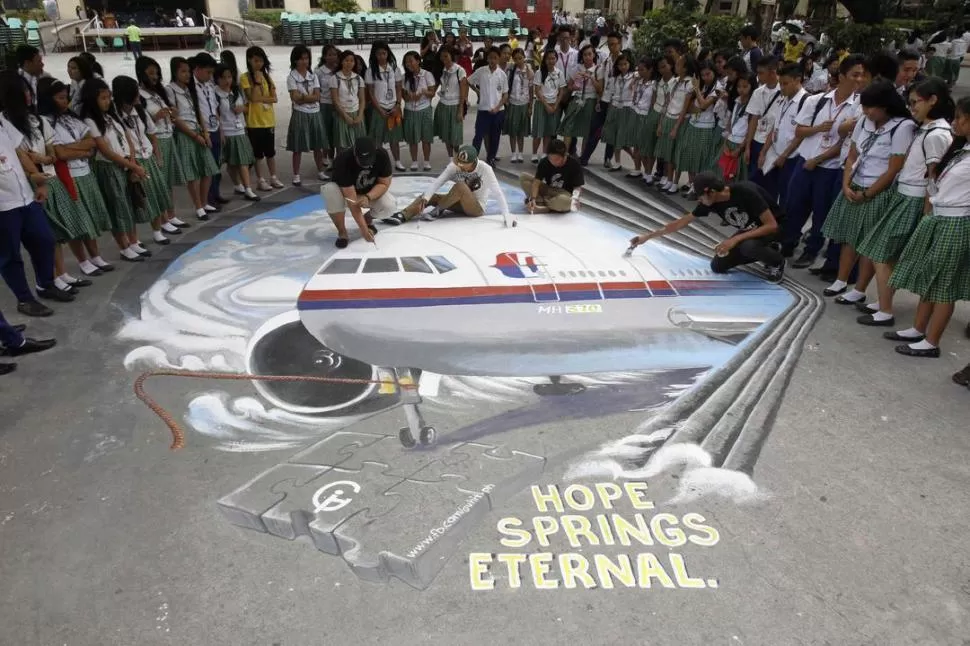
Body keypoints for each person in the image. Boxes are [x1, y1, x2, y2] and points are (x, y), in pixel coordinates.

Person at [854, 78, 953, 326]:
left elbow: (935, 176)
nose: (912, 109)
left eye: (915, 102)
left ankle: (886, 310)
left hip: (915, 199)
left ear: (933, 100)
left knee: (882, 253)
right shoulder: (927, 129)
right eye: (909, 103)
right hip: (906, 194)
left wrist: (928, 212)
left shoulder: (936, 135)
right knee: (886, 253)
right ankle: (883, 302)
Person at [886, 96, 970, 358]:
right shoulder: (961, 149)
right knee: (930, 277)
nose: (955, 122)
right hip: (940, 218)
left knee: (944, 284)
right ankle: (918, 329)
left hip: (957, 222)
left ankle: (932, 341)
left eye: (960, 118)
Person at [820, 81, 916, 301]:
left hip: (878, 191)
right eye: (864, 107)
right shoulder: (864, 121)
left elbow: (893, 170)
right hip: (854, 185)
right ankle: (841, 280)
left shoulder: (903, 127)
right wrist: (846, 184)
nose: (866, 111)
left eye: (871, 107)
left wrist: (868, 194)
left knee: (867, 243)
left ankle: (859, 289)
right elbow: (852, 155)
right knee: (849, 237)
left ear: (886, 106)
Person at [781, 54, 865, 268]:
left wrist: (818, 159)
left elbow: (847, 144)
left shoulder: (857, 108)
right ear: (842, 75)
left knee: (821, 212)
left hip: (829, 168)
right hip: (804, 162)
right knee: (794, 206)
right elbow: (799, 130)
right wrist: (819, 128)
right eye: (855, 74)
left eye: (862, 76)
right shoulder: (816, 101)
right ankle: (787, 242)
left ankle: (811, 250)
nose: (859, 80)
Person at [628, 171, 786, 283]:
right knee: (718, 265)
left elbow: (771, 225)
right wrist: (647, 237)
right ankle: (767, 249)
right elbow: (681, 223)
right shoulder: (711, 202)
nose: (699, 201)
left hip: (777, 227)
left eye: (700, 196)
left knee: (748, 247)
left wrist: (735, 239)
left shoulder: (745, 192)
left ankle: (777, 261)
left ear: (710, 191)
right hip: (750, 230)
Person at [0, 72, 67, 317]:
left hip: (25, 196)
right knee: (10, 256)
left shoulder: (3, 122)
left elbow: (20, 152)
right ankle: (24, 299)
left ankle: (45, 284)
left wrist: (36, 179)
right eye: (23, 92)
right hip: (3, 205)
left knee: (44, 240)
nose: (29, 96)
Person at [384, 145, 512, 226]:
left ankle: (437, 211)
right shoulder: (455, 165)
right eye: (459, 162)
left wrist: (506, 215)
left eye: (463, 164)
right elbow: (438, 182)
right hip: (458, 202)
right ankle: (403, 215)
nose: (460, 165)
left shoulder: (485, 169)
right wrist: (426, 197)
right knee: (430, 196)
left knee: (461, 186)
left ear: (473, 162)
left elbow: (498, 192)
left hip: (476, 208)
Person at [167, 56, 220, 221]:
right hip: (186, 134)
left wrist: (204, 132)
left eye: (188, 71)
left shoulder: (190, 90)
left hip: (198, 130)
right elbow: (175, 118)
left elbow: (198, 113)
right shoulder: (171, 90)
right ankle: (198, 206)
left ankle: (204, 203)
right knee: (193, 174)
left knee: (209, 169)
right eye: (183, 71)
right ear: (175, 72)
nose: (187, 74)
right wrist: (195, 135)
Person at [321, 137, 391, 248]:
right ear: (354, 154)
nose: (366, 165)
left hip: (368, 192)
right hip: (343, 195)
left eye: (369, 161)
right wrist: (363, 230)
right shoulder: (343, 160)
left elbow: (384, 184)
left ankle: (368, 220)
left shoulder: (382, 154)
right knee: (330, 190)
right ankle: (342, 233)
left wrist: (368, 197)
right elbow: (351, 200)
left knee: (389, 205)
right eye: (362, 161)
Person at [758, 62, 809, 204]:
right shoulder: (783, 98)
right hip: (774, 154)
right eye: (780, 83)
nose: (781, 87)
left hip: (791, 158)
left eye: (785, 83)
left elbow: (800, 135)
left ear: (797, 80)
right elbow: (775, 126)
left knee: (787, 196)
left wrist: (785, 155)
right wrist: (763, 151)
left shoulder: (806, 102)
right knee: (769, 194)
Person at [213, 64, 260, 202]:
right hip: (226, 131)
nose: (227, 80)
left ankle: (248, 189)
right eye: (223, 78)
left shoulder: (236, 90)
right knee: (231, 162)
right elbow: (215, 114)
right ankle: (237, 185)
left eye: (229, 77)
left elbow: (246, 106)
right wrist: (220, 130)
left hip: (239, 129)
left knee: (243, 160)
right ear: (217, 79)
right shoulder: (215, 93)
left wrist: (242, 109)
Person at [240, 47, 281, 191]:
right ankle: (260, 179)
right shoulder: (245, 78)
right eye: (256, 60)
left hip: (268, 119)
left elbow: (274, 98)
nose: (259, 64)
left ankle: (273, 177)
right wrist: (256, 83)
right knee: (258, 154)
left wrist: (263, 98)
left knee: (270, 152)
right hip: (254, 121)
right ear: (249, 60)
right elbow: (253, 97)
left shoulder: (267, 77)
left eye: (261, 61)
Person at [285, 45, 327, 186]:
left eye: (307, 58)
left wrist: (304, 97)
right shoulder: (291, 77)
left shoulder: (313, 75)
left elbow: (317, 96)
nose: (304, 61)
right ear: (295, 60)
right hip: (300, 113)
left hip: (314, 112)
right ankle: (296, 174)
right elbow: (294, 97)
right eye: (301, 59)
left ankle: (320, 170)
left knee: (318, 144)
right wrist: (307, 97)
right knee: (298, 146)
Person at [365, 42, 405, 172]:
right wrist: (380, 110)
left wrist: (398, 105)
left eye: (384, 53)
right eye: (378, 54)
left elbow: (399, 89)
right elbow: (371, 93)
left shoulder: (394, 69)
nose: (381, 56)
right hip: (379, 108)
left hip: (393, 107)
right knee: (377, 138)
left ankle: (398, 161)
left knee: (394, 138)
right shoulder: (371, 71)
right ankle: (376, 163)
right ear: (374, 55)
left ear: (388, 53)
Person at [468, 47, 508, 167]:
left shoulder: (502, 74)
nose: (492, 60)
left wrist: (497, 107)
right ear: (487, 58)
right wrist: (477, 90)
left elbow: (505, 94)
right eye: (490, 58)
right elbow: (468, 80)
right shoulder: (481, 71)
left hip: (498, 111)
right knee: (478, 136)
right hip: (483, 110)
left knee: (495, 136)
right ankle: (472, 159)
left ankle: (491, 158)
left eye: (495, 58)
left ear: (499, 58)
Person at [519, 138, 584, 213]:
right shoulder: (545, 162)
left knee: (566, 202)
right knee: (523, 177)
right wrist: (533, 198)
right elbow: (536, 183)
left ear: (564, 155)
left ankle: (545, 206)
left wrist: (575, 198)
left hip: (564, 194)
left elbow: (578, 187)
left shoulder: (574, 164)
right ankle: (538, 202)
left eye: (557, 159)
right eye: (550, 159)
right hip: (549, 189)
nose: (553, 162)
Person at [744, 56, 782, 184]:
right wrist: (748, 146)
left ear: (772, 72)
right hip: (757, 140)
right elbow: (753, 119)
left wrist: (765, 151)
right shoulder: (758, 92)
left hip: (773, 144)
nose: (758, 76)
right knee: (753, 179)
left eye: (761, 73)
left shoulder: (784, 92)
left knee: (769, 182)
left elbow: (778, 125)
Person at [401, 50, 437, 171]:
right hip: (410, 110)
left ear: (418, 61)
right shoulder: (404, 77)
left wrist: (423, 92)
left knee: (426, 138)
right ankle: (414, 161)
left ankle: (426, 161)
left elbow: (432, 93)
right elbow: (403, 96)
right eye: (406, 62)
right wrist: (409, 96)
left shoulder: (427, 75)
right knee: (412, 138)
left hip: (424, 109)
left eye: (411, 61)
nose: (408, 64)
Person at [329, 50, 366, 153]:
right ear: (341, 62)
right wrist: (346, 116)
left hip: (356, 113)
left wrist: (360, 115)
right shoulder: (335, 78)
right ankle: (343, 167)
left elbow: (362, 100)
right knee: (343, 146)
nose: (349, 63)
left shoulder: (358, 78)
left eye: (351, 61)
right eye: (346, 60)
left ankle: (357, 167)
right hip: (342, 114)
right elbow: (335, 101)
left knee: (358, 145)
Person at [434, 47, 467, 160]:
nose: (444, 59)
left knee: (455, 135)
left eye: (446, 56)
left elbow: (463, 91)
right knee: (446, 134)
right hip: (443, 104)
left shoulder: (459, 70)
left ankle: (457, 156)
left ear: (451, 56)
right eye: (442, 56)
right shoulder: (442, 70)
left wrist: (460, 110)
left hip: (455, 105)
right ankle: (450, 158)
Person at [503, 48, 533, 164]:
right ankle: (513, 153)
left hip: (524, 103)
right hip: (513, 103)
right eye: (515, 59)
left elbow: (531, 90)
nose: (518, 61)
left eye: (520, 58)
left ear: (524, 57)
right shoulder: (511, 70)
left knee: (521, 130)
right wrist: (506, 100)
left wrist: (531, 106)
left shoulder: (529, 71)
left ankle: (520, 153)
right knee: (512, 130)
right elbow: (506, 85)